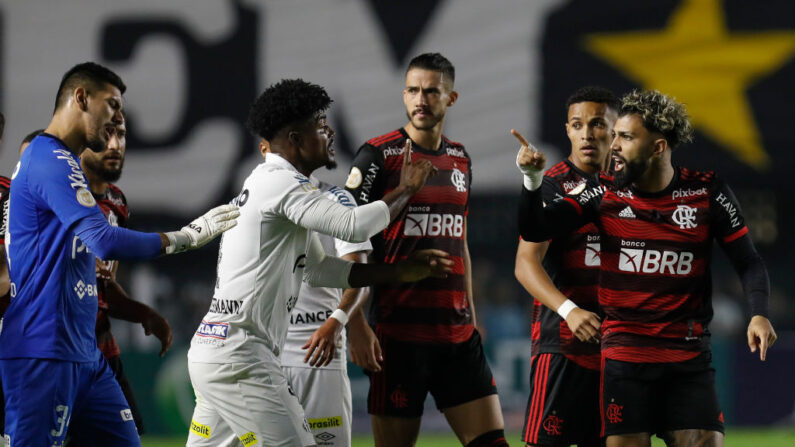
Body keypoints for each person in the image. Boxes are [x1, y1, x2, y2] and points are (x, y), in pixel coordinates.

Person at [185, 78, 452, 447]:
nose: (329, 132)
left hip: (215, 351)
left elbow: (320, 269)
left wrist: (400, 270)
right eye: (321, 125)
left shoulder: (264, 182)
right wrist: (406, 188)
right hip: (241, 358)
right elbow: (353, 223)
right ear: (295, 138)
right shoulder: (282, 185)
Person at [515, 89, 777, 447]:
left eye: (625, 137)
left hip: (687, 358)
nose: (614, 145)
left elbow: (748, 260)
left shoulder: (707, 193)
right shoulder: (601, 192)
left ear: (657, 147)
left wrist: (759, 314)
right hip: (624, 357)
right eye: (616, 135)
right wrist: (531, 181)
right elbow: (536, 229)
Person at [0, 61, 238, 447]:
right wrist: (186, 237)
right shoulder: (48, 157)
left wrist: (140, 311)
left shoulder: (70, 169)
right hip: (42, 353)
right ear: (81, 98)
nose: (118, 117)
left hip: (86, 355)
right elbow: (104, 241)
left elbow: (90, 266)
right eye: (111, 105)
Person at [345, 52, 508, 447]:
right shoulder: (377, 156)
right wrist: (356, 323)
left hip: (457, 336)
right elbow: (347, 240)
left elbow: (460, 242)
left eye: (431, 91)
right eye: (413, 90)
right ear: (404, 95)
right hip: (398, 337)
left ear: (450, 99)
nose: (421, 99)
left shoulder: (460, 159)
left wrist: (471, 313)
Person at [514, 86, 618, 447]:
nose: (587, 133)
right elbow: (525, 265)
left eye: (598, 124)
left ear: (616, 130)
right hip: (562, 347)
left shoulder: (630, 187)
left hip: (619, 350)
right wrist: (570, 311)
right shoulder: (553, 186)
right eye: (578, 124)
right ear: (568, 130)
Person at [73, 119, 173, 439]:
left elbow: (104, 289)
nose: (115, 145)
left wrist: (142, 313)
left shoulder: (116, 201)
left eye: (122, 135)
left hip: (103, 352)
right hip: (58, 353)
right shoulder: (56, 196)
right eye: (106, 135)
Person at [280, 174, 372, 446]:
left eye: (322, 128)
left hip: (319, 350)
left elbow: (357, 274)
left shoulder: (336, 199)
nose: (326, 135)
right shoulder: (254, 196)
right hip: (265, 351)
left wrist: (349, 322)